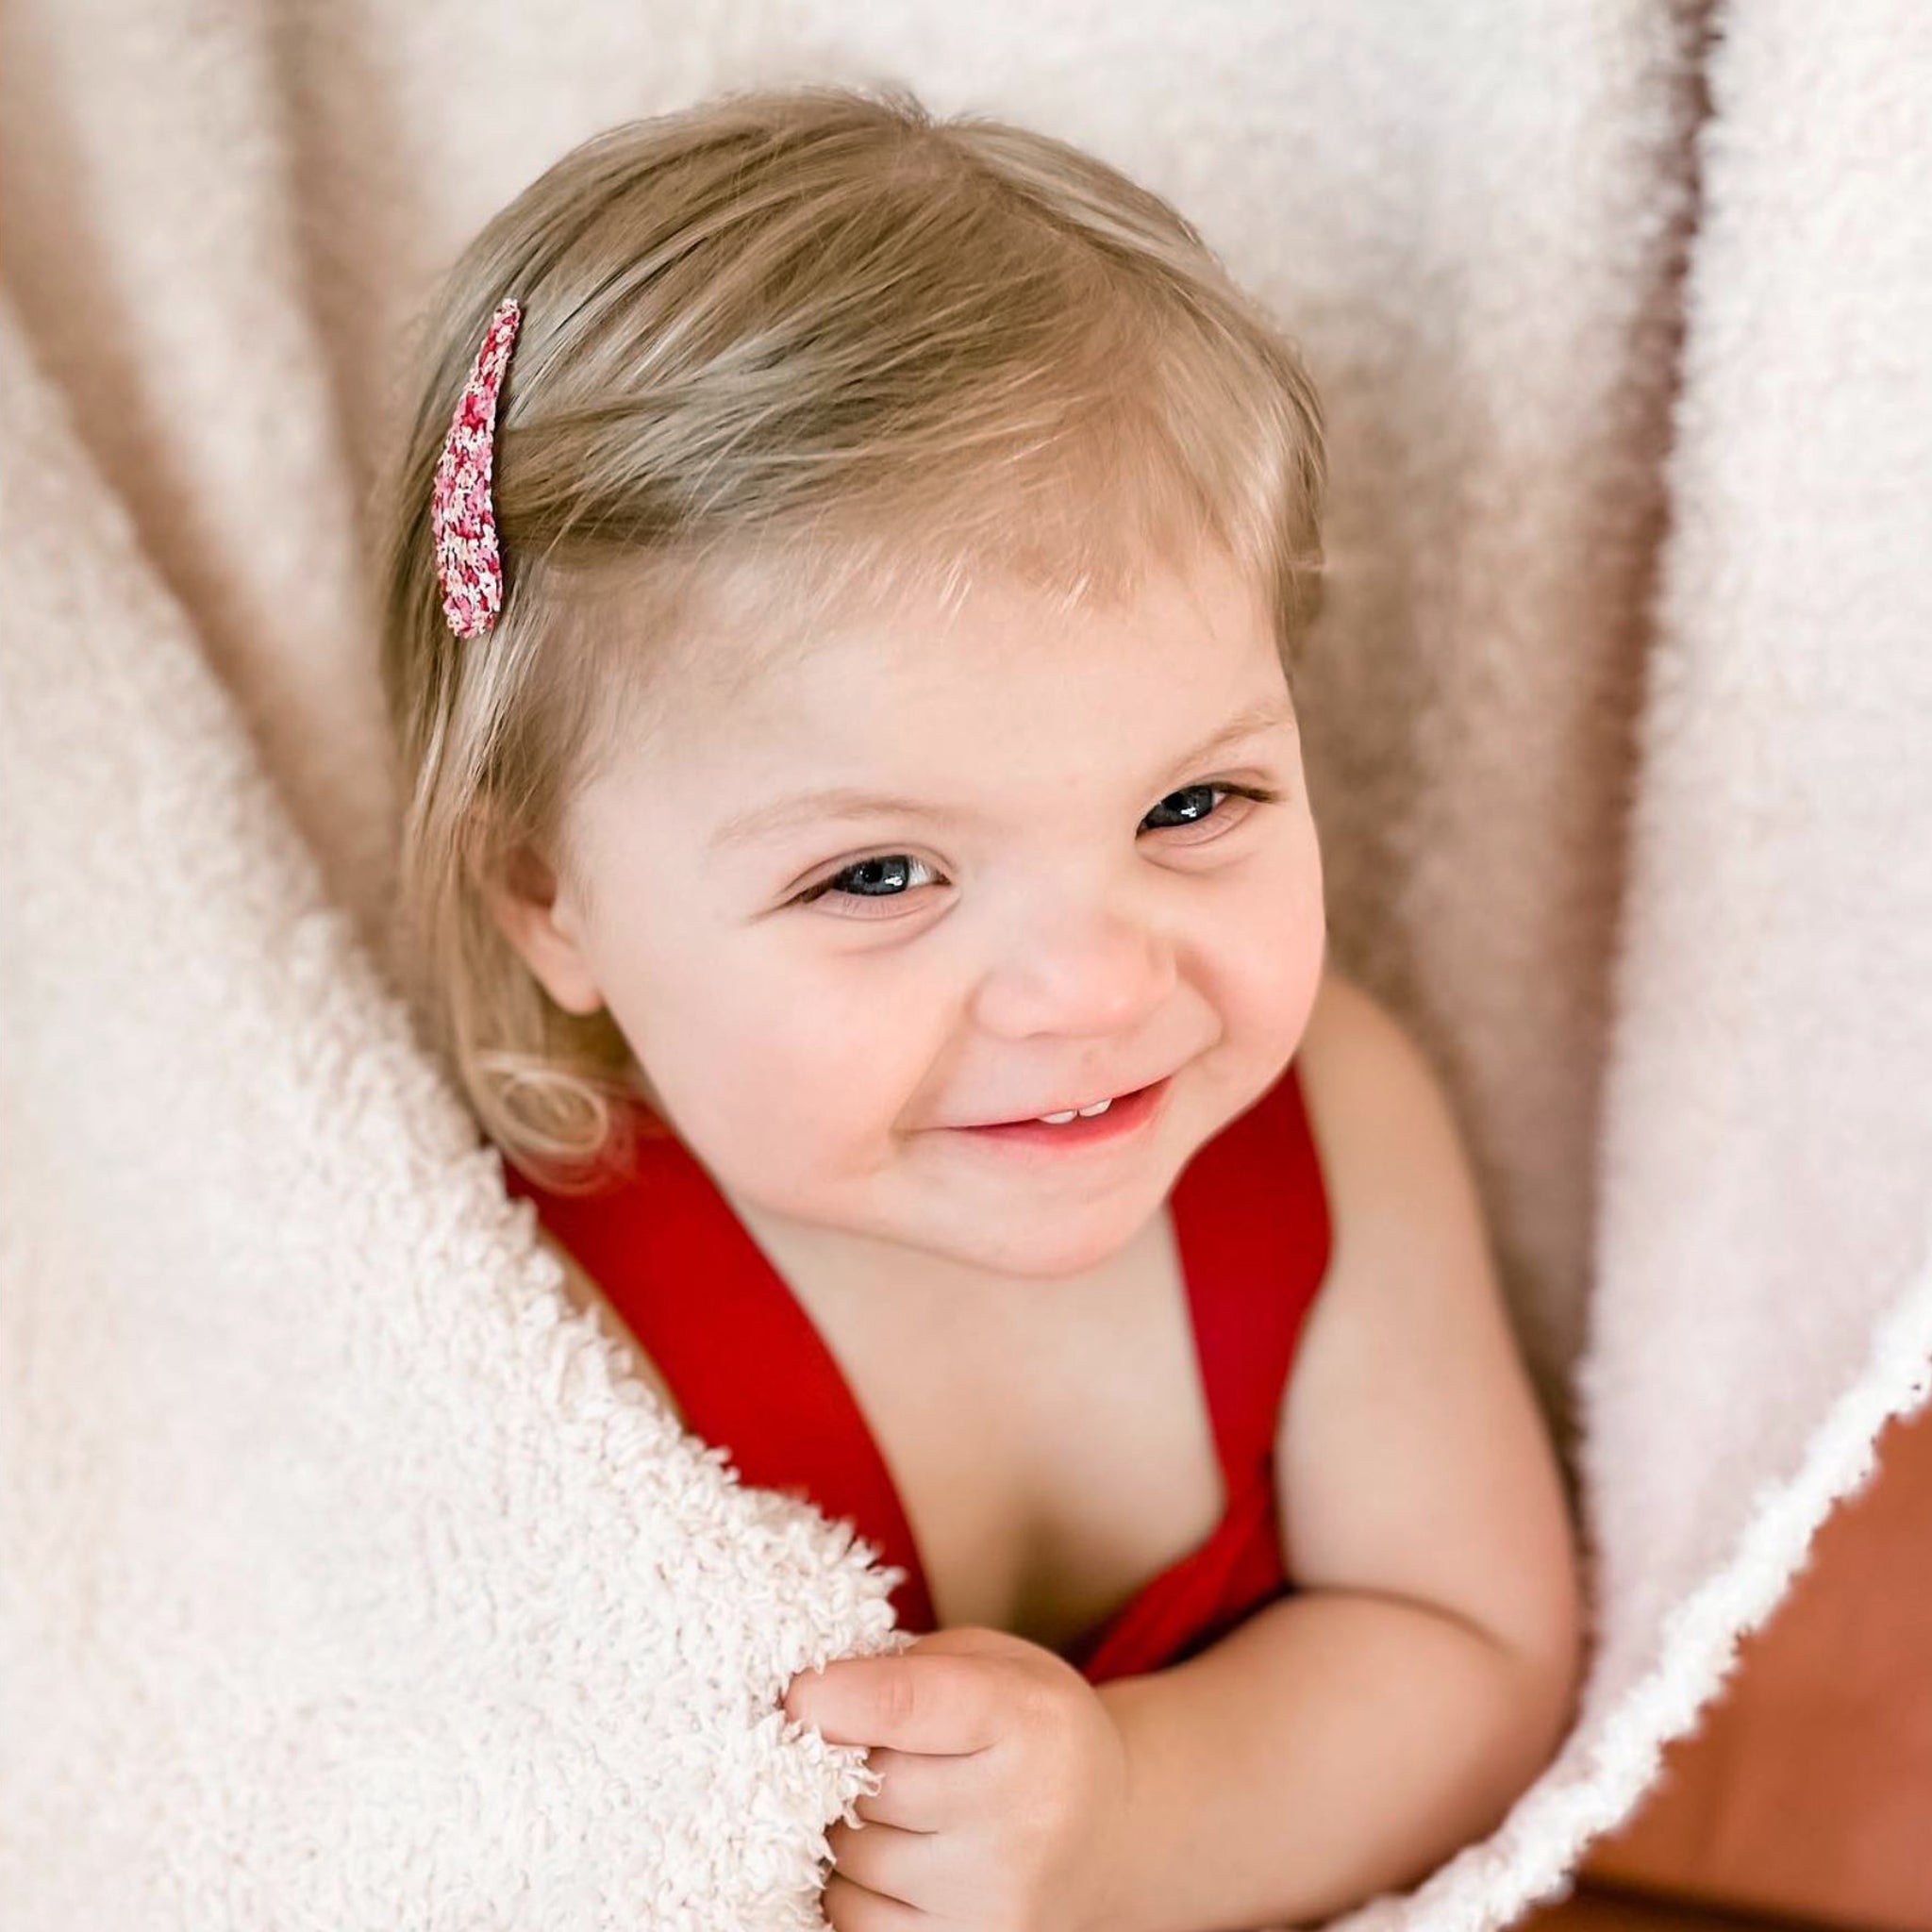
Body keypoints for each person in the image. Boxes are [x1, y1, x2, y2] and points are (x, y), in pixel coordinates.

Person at [373, 80, 1583, 1932]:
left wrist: (1128, 1822)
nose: (1095, 986)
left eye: (1194, 805)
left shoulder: (1329, 1115)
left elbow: (1476, 1649)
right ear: (548, 896)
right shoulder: (496, 1290)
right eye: (877, 875)